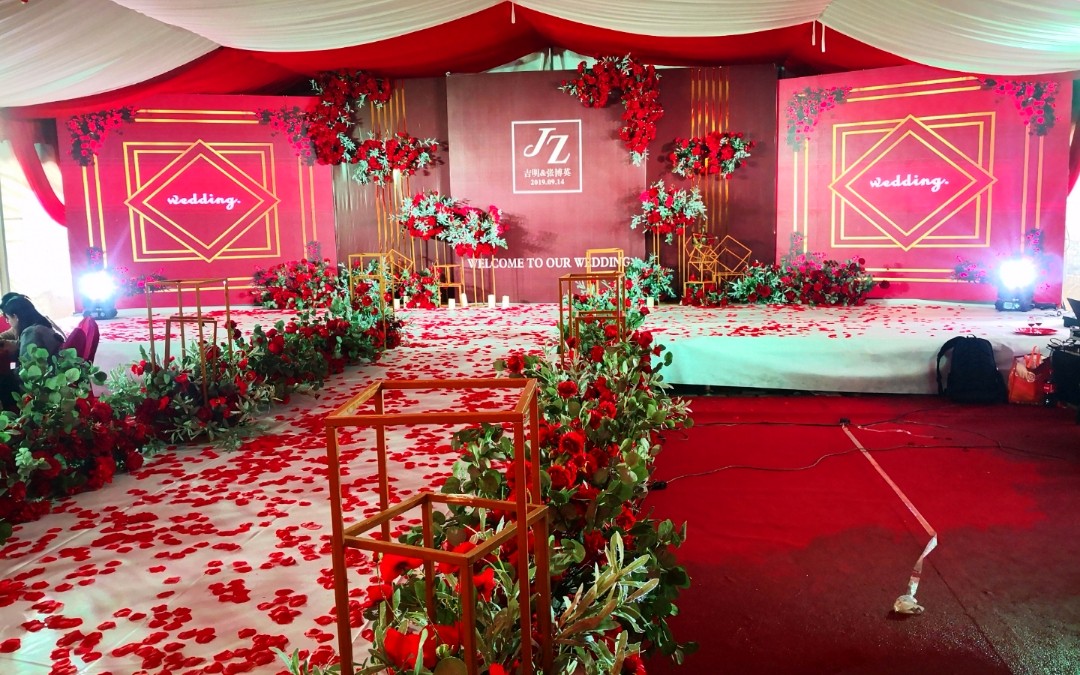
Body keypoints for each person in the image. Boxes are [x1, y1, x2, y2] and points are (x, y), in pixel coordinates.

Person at [0, 294, 64, 410]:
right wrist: (16, 346)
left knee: (3, 380)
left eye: (8, 318)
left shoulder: (30, 332)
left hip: (42, 385)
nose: (8, 322)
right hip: (53, 377)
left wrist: (11, 371)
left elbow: (28, 372)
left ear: (16, 317)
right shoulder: (41, 325)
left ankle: (12, 414)